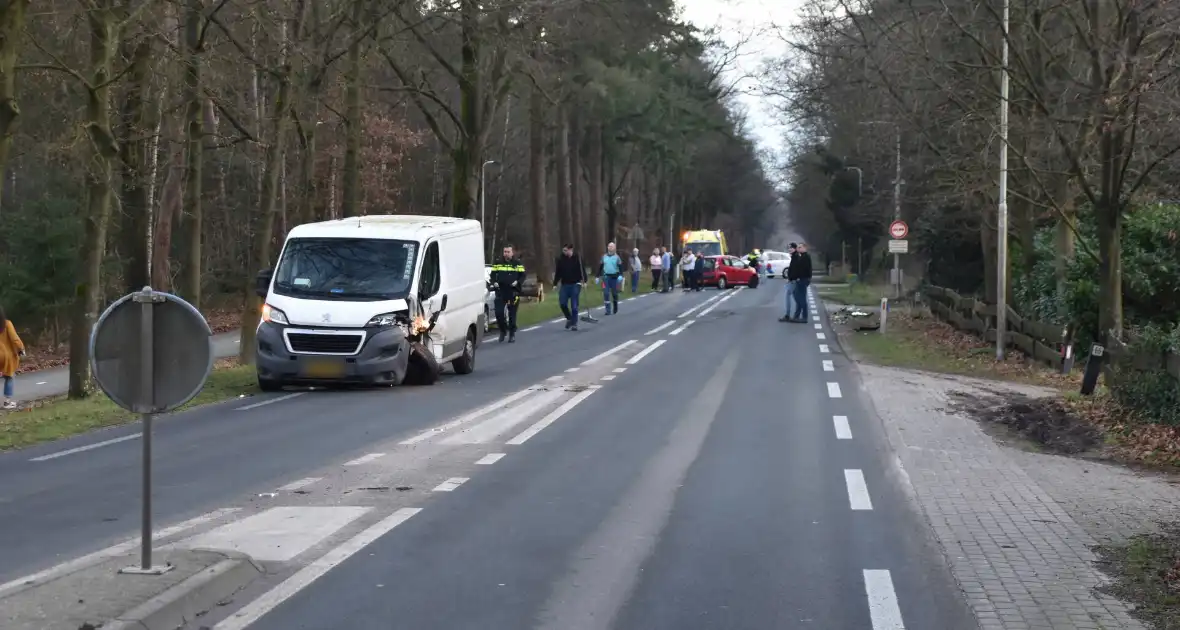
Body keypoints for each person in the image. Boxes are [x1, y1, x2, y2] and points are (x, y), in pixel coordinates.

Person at [490, 245, 526, 342]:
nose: (506, 254)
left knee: (512, 314)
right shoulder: (498, 263)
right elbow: (492, 275)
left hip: (513, 292)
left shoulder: (517, 264)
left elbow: (523, 275)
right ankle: (503, 330)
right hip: (500, 291)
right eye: (505, 251)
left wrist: (517, 282)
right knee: (499, 313)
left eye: (508, 252)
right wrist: (494, 282)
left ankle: (512, 333)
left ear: (512, 253)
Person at [553, 244, 586, 331]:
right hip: (565, 284)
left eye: (565, 250)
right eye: (563, 250)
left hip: (576, 284)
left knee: (574, 305)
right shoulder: (561, 260)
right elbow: (558, 272)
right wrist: (555, 284)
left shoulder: (577, 258)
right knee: (562, 303)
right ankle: (569, 318)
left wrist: (584, 281)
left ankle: (574, 323)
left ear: (570, 250)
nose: (564, 252)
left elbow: (582, 270)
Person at [0, 307, 26, 410]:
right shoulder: (7, 324)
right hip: (7, 356)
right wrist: (21, 349)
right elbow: (15, 339)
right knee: (9, 377)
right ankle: (7, 402)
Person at [786, 242, 813, 322]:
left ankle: (804, 317)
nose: (799, 249)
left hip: (803, 279)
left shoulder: (806, 257)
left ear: (805, 248)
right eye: (798, 247)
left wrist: (799, 277)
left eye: (800, 247)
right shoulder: (802, 257)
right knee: (798, 298)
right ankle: (796, 316)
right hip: (801, 279)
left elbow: (804, 270)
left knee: (802, 299)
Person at [598, 242, 625, 315]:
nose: (610, 248)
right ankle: (608, 310)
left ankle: (615, 304)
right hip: (606, 277)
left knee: (614, 293)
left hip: (615, 277)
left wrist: (621, 275)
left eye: (612, 246)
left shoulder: (617, 257)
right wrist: (597, 276)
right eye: (609, 246)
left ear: (614, 248)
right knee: (606, 293)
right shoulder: (604, 256)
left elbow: (620, 267)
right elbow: (600, 267)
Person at [781, 242, 798, 320]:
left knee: (788, 296)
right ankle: (795, 314)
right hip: (792, 280)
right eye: (789, 248)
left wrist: (791, 279)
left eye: (791, 248)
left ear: (794, 248)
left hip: (793, 281)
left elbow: (795, 270)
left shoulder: (795, 257)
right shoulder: (794, 257)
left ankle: (788, 315)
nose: (789, 249)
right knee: (796, 297)